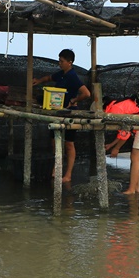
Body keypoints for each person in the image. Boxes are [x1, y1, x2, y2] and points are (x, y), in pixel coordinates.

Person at [33, 48, 91, 184]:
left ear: (69, 62)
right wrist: (39, 81)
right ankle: (56, 167)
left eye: (61, 61)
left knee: (69, 144)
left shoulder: (72, 76)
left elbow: (86, 93)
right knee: (54, 142)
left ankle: (68, 174)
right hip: (59, 112)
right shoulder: (61, 74)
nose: (59, 63)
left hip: (71, 113)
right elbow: (49, 78)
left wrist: (74, 100)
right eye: (59, 60)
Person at [103, 92, 139, 195]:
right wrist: (112, 145)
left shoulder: (115, 110)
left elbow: (125, 133)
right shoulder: (118, 105)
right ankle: (136, 187)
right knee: (136, 158)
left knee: (135, 157)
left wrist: (116, 148)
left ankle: (131, 189)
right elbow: (123, 132)